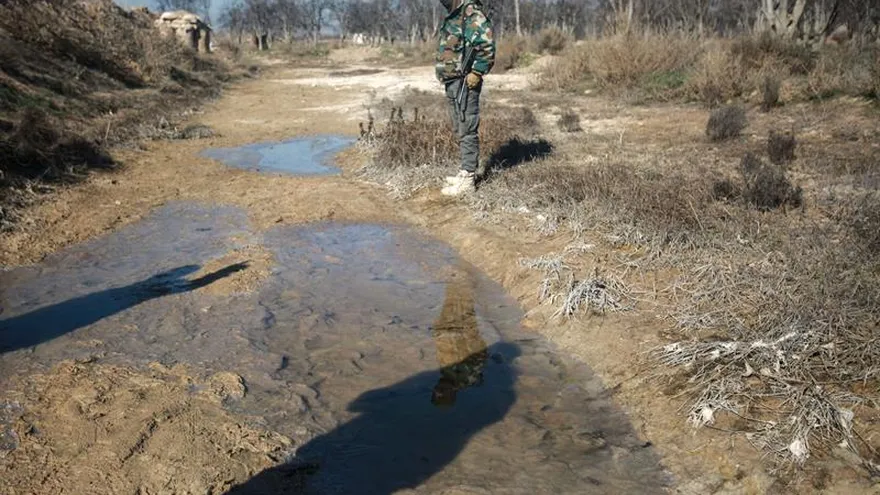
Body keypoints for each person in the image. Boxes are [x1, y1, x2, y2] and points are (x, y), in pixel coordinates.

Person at [436, 0, 496, 196]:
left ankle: (468, 178)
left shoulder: (471, 12)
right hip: (452, 79)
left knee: (467, 127)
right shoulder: (456, 13)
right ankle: (465, 169)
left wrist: (477, 72)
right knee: (459, 126)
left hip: (465, 80)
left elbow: (486, 45)